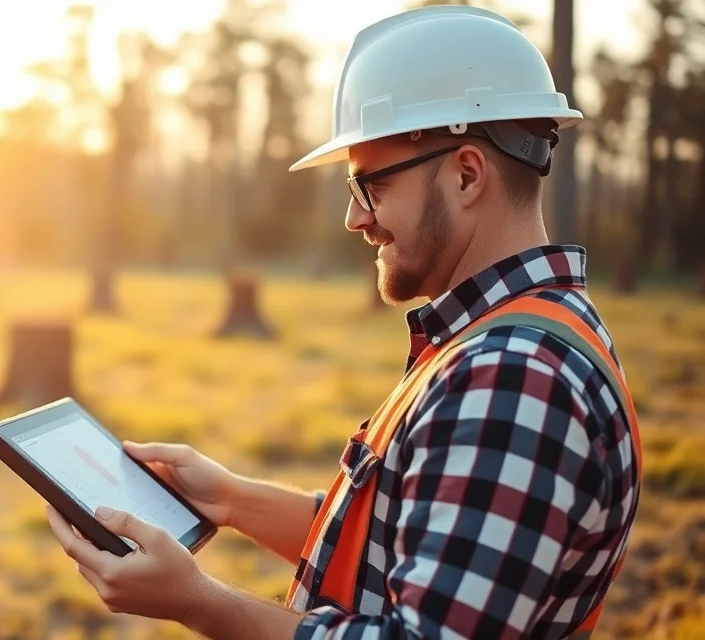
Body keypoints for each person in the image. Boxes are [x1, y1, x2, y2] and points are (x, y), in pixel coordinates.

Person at [44, 4, 643, 639]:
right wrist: (233, 500)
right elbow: (410, 537)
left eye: (371, 188)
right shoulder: (520, 338)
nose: (355, 220)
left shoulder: (513, 378)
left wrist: (198, 601)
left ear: (467, 174)